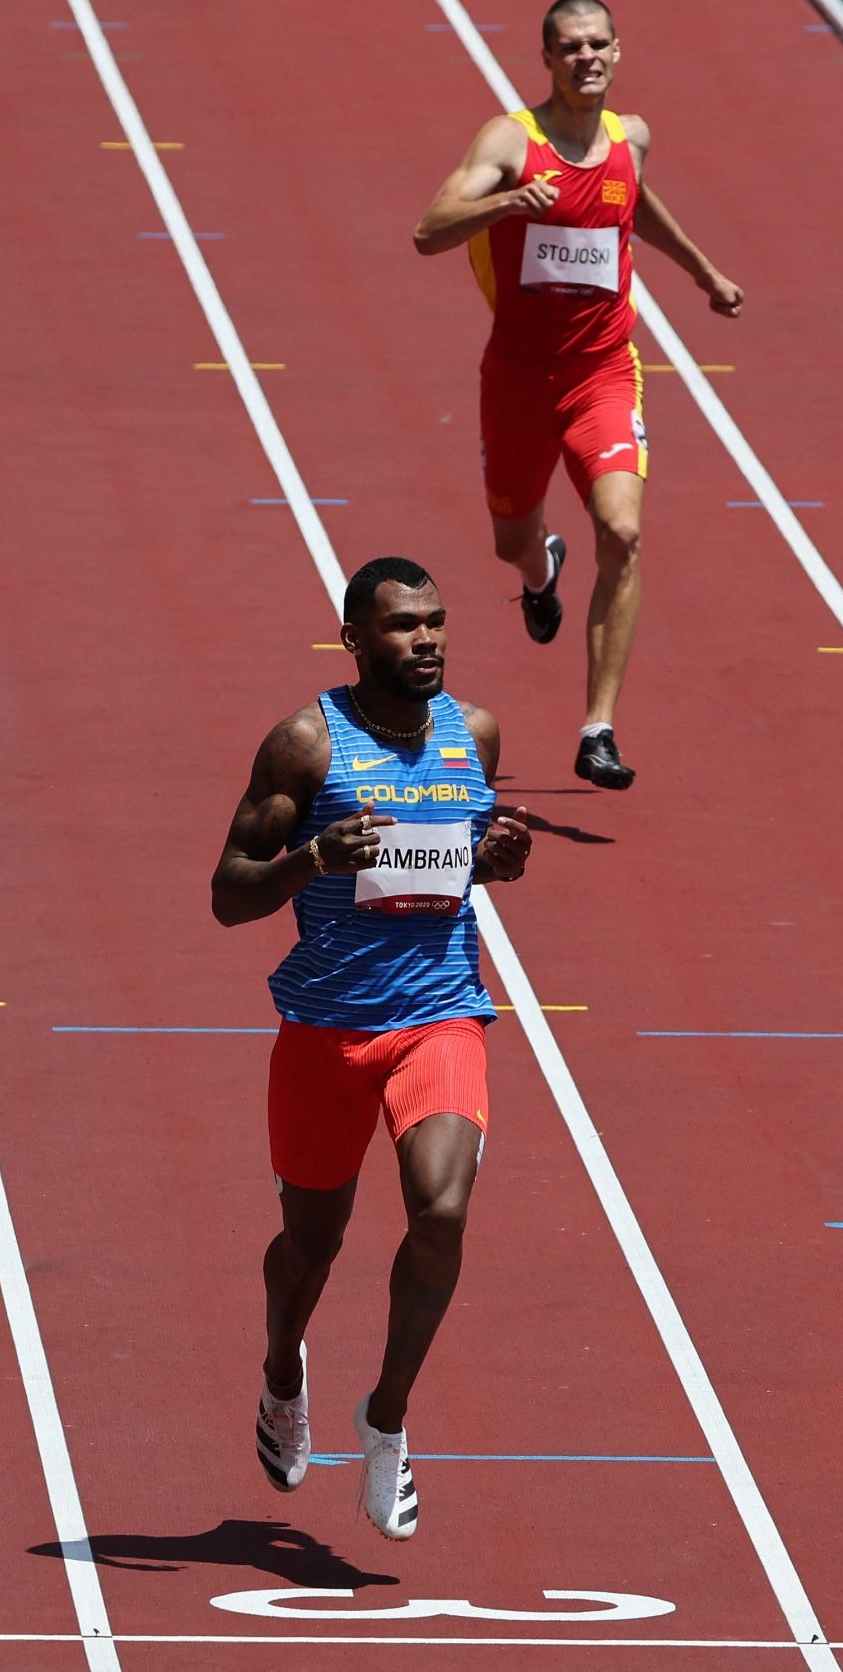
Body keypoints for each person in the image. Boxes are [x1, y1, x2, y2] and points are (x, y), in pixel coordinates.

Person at [210, 556, 533, 1540]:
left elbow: (452, 863)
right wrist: (311, 856)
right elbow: (228, 892)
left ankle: (386, 1419)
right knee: (310, 1246)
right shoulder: (304, 745)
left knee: (440, 1209)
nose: (425, 640)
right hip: (326, 1025)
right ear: (354, 638)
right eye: (401, 626)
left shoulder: (470, 733)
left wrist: (491, 861)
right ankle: (279, 1372)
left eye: (435, 622)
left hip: (439, 1010)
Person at [412, 0, 743, 790]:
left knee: (623, 530)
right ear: (549, 60)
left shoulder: (632, 139)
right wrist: (504, 201)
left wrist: (702, 270)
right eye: (570, 47)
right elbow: (430, 230)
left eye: (598, 45)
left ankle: (598, 728)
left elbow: (635, 209)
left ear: (617, 51)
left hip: (602, 371)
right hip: (519, 381)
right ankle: (540, 573)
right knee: (510, 541)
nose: (586, 57)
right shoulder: (510, 141)